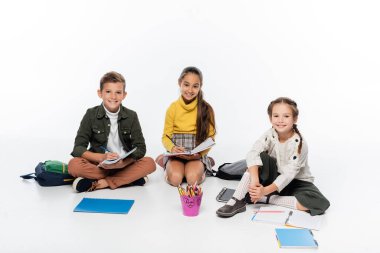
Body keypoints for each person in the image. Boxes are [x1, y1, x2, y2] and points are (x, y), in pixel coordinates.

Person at [216, 97, 330, 217]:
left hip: (296, 182)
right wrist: (254, 181)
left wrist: (264, 191)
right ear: (270, 118)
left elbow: (288, 175)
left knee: (319, 202)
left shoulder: (300, 144)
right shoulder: (270, 134)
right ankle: (237, 200)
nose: (280, 120)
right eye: (276, 116)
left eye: (286, 116)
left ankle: (267, 199)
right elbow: (253, 153)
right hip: (273, 178)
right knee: (260, 157)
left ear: (295, 119)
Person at [68, 71, 156, 192]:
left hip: (123, 165)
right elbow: (78, 148)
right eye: (108, 92)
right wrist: (101, 157)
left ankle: (102, 183)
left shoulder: (131, 116)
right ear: (100, 93)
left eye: (118, 92)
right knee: (74, 165)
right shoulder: (90, 114)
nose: (113, 97)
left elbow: (140, 148)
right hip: (99, 165)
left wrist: (124, 163)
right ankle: (128, 179)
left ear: (124, 95)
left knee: (150, 163)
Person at [161, 66, 216, 186]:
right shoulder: (173, 108)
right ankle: (165, 163)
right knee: (175, 180)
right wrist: (172, 148)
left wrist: (200, 154)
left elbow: (211, 138)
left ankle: (205, 164)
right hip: (177, 154)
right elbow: (165, 137)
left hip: (195, 155)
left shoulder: (206, 109)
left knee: (192, 180)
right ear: (179, 83)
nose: (190, 90)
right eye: (186, 84)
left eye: (195, 86)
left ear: (200, 87)